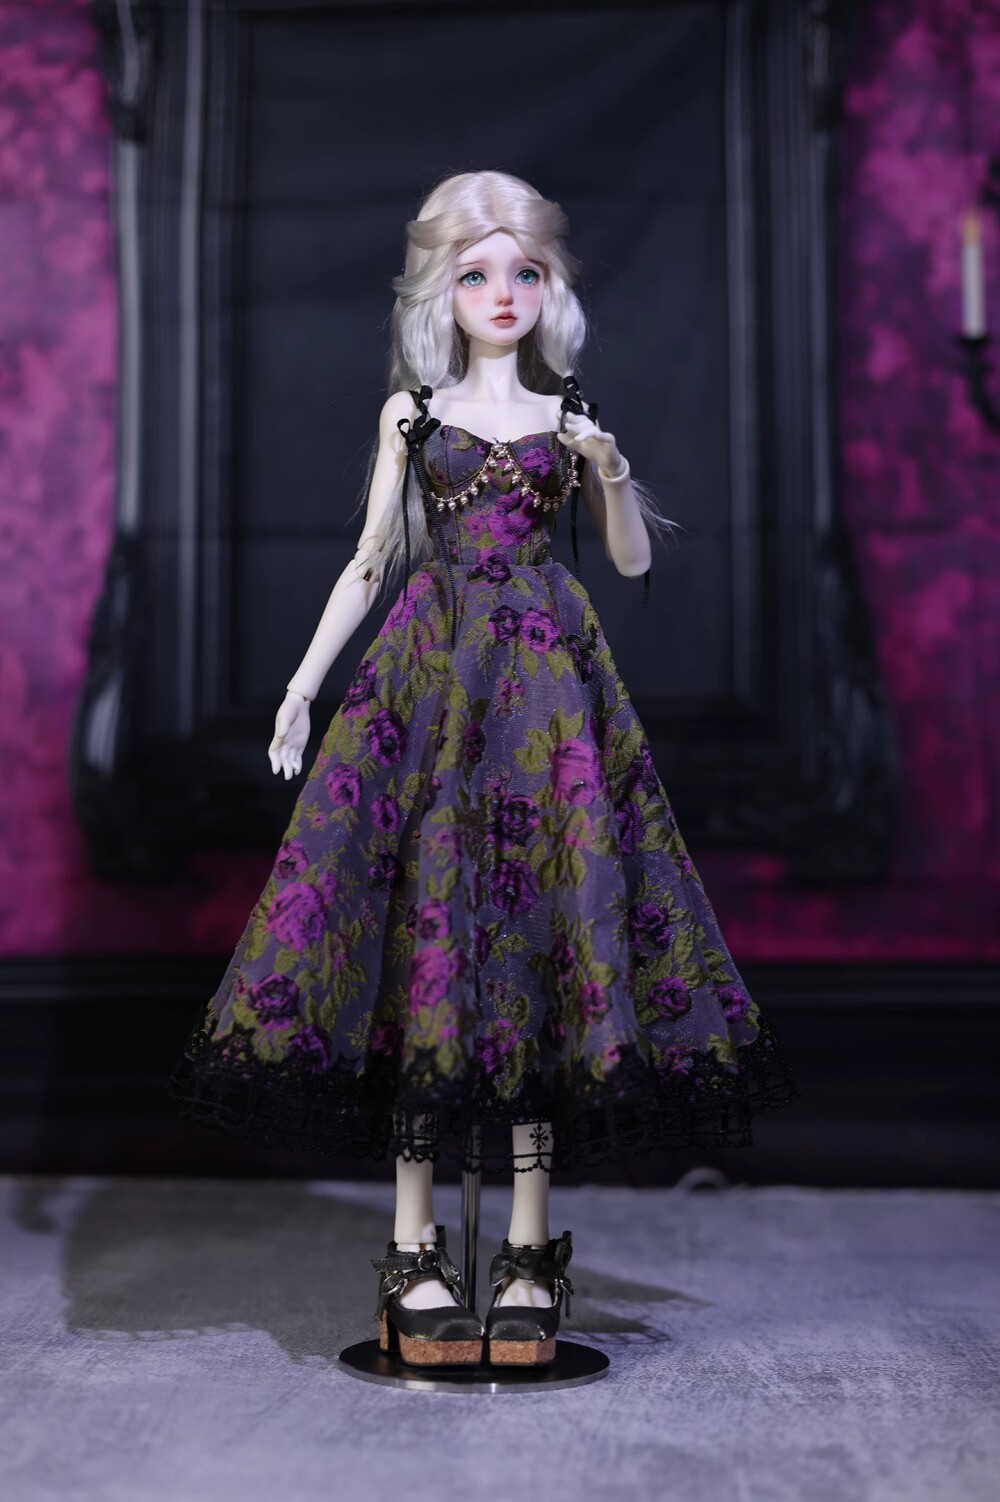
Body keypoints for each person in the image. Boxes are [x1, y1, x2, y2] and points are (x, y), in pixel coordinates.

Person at [167, 169, 799, 1369]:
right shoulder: (414, 415)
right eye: (475, 272)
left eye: (523, 271)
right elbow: (370, 559)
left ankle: (524, 1249)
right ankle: (413, 1247)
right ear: (441, 290)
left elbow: (626, 563)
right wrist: (302, 685)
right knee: (427, 931)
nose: (501, 293)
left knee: (547, 931)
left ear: (549, 286)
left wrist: (609, 467)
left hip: (549, 692)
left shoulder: (569, 418)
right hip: (431, 682)